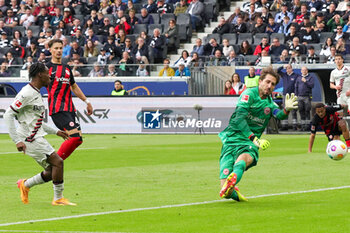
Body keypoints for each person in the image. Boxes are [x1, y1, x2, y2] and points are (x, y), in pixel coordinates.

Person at [219, 66, 298, 201]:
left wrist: (287, 110)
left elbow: (278, 115)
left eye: (273, 84)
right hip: (232, 137)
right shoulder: (249, 94)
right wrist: (254, 138)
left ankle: (234, 179)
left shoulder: (270, 104)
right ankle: (234, 190)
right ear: (260, 81)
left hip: (249, 142)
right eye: (267, 82)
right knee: (225, 191)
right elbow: (238, 118)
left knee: (245, 158)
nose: (269, 86)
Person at [3, 62, 76, 206]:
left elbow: (35, 121)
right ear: (39, 75)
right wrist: (17, 140)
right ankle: (58, 199)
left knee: (51, 171)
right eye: (48, 73)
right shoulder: (26, 93)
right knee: (58, 163)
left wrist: (56, 132)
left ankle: (25, 184)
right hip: (29, 139)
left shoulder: (35, 92)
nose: (50, 75)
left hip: (35, 137)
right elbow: (8, 115)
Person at [46, 39, 93, 160]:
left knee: (78, 140)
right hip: (58, 109)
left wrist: (87, 102)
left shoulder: (66, 68)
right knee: (75, 137)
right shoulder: (46, 68)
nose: (58, 51)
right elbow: (36, 86)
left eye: (60, 48)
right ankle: (54, 164)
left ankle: (54, 166)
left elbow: (74, 86)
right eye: (56, 48)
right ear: (50, 50)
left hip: (70, 109)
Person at [295, 66, 315, 131]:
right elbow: (296, 87)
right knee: (301, 111)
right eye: (302, 70)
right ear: (301, 71)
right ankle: (303, 126)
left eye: (305, 70)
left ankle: (308, 126)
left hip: (307, 96)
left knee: (307, 111)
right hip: (300, 96)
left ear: (307, 71)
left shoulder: (310, 77)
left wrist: (305, 81)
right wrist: (296, 95)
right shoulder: (298, 78)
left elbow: (312, 86)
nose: (304, 71)